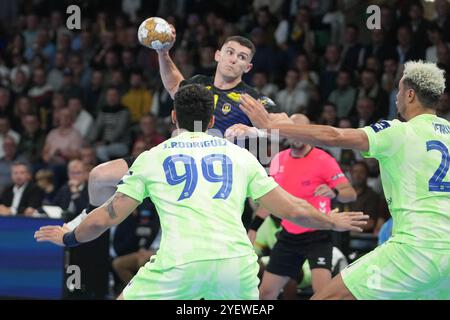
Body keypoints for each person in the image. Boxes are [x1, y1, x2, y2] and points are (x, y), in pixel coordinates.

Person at [35, 84, 368, 300]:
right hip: (236, 268)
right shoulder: (241, 156)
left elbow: (105, 217)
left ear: (173, 116)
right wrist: (331, 221)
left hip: (178, 267)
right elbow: (292, 209)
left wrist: (68, 236)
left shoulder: (152, 158)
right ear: (211, 120)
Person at [233, 60, 450, 300]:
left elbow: (334, 135)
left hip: (416, 249)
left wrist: (275, 125)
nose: (396, 96)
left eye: (398, 90)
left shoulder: (399, 131)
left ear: (410, 95)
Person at [254, 114, 356, 299]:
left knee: (323, 294)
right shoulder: (279, 159)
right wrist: (253, 230)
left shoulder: (324, 159)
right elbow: (270, 200)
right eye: (293, 131)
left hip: (318, 234)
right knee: (266, 293)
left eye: (302, 131)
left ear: (309, 133)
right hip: (288, 236)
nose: (297, 136)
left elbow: (350, 194)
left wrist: (335, 192)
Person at [156, 29, 277, 135]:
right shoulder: (199, 83)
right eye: (230, 52)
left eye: (242, 57)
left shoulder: (253, 98)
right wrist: (163, 53)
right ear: (218, 55)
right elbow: (173, 86)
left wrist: (253, 132)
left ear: (248, 67)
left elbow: (281, 130)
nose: (233, 59)